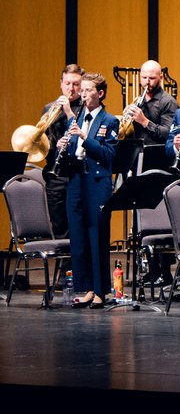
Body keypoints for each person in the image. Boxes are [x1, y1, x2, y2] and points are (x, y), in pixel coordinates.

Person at [57, 72, 118, 308]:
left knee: (97, 236)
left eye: (88, 90)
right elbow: (72, 151)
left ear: (100, 94)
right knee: (79, 236)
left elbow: (108, 155)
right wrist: (62, 147)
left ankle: (101, 290)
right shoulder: (77, 118)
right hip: (76, 181)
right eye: (81, 90)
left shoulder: (109, 120)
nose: (82, 94)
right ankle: (86, 288)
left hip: (97, 182)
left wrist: (84, 137)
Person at [40, 64, 84, 237]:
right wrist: (55, 145)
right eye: (67, 83)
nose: (71, 88)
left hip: (77, 173)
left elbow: (86, 137)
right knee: (59, 227)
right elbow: (43, 143)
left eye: (75, 84)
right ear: (61, 84)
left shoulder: (87, 107)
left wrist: (68, 111)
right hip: (55, 175)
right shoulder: (49, 108)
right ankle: (63, 256)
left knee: (79, 227)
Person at [122, 59, 179, 155]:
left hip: (157, 154)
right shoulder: (139, 99)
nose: (147, 82)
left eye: (152, 78)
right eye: (144, 77)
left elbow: (169, 134)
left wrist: (144, 121)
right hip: (136, 151)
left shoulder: (168, 102)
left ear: (161, 77)